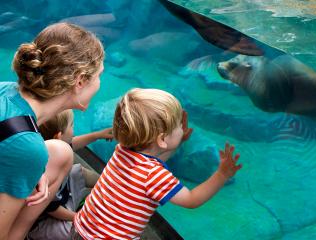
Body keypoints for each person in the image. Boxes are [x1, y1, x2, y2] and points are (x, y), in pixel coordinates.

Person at [72, 88, 242, 239]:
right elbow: (191, 200)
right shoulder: (154, 176)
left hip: (81, 228)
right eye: (178, 126)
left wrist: (177, 141)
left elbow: (155, 159)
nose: (182, 128)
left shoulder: (122, 150)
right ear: (161, 139)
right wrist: (222, 174)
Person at [0, 22, 104, 240]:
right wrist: (28, 162)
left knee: (59, 153)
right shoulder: (27, 147)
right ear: (80, 81)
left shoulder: (5, 89)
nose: (100, 83)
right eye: (98, 76)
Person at [27, 109, 112, 240]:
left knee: (77, 171)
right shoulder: (45, 173)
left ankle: (110, 186)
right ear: (58, 136)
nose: (74, 128)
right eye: (72, 125)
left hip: (63, 199)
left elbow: (71, 143)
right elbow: (52, 209)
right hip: (44, 221)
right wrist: (79, 218)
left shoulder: (50, 146)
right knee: (72, 232)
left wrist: (97, 135)